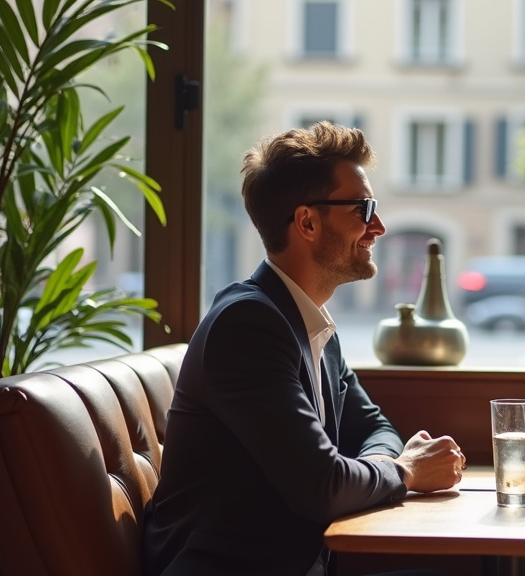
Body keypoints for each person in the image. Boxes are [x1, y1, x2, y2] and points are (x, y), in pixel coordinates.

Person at [142, 122, 465, 576]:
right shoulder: (247, 326)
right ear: (307, 222)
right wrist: (406, 471)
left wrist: (384, 463)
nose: (379, 226)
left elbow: (375, 428)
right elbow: (323, 485)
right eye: (363, 208)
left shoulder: (307, 320)